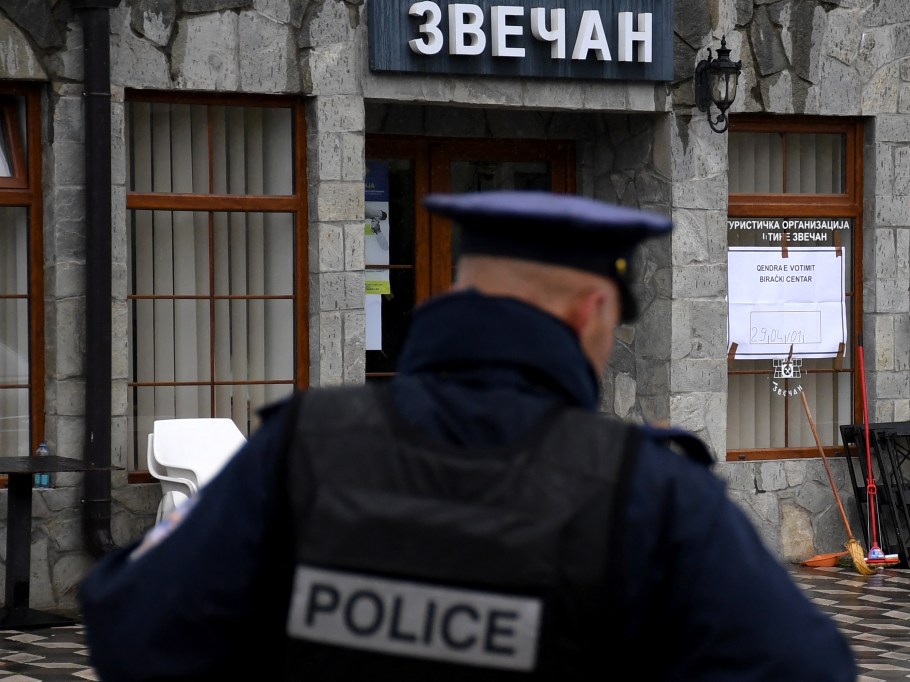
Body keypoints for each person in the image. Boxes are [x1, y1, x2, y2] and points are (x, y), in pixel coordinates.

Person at [80, 191, 857, 681]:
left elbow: (134, 629)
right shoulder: (650, 490)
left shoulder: (302, 448)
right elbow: (806, 666)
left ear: (460, 291)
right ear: (592, 311)